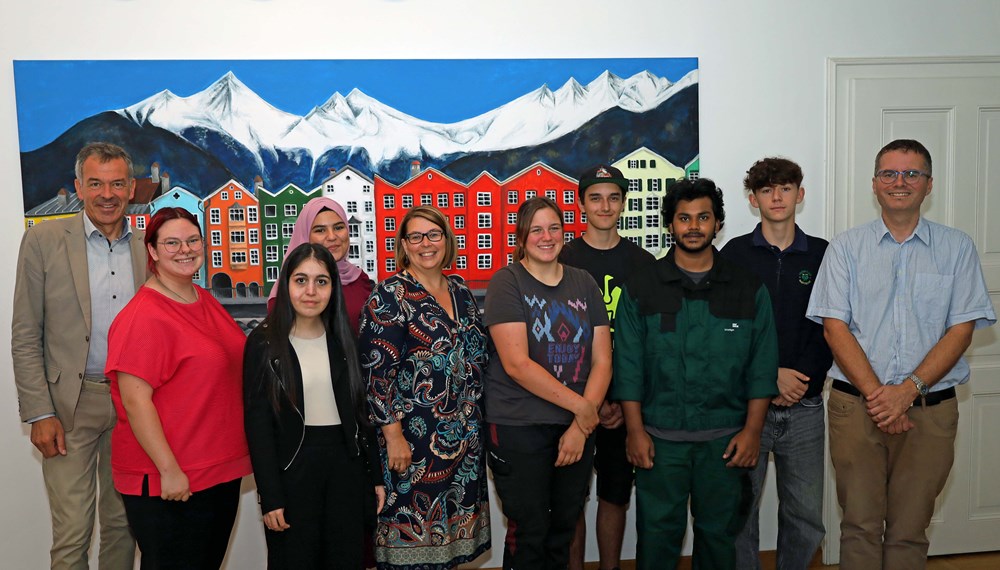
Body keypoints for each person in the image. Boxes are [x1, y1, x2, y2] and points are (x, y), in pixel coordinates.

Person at [806, 139, 995, 569]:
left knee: (911, 530)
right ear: (874, 184)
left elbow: (961, 328)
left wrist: (907, 391)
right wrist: (882, 397)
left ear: (930, 185)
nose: (900, 182)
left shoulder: (957, 248)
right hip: (856, 410)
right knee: (859, 526)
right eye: (890, 173)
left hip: (930, 411)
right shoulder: (845, 249)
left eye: (912, 174)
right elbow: (835, 328)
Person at [613, 178, 779, 570]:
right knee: (656, 538)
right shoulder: (642, 286)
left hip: (724, 442)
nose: (693, 226)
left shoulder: (746, 287)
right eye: (683, 218)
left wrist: (753, 432)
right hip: (659, 440)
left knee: (719, 539)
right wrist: (635, 432)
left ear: (717, 223)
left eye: (703, 217)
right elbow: (629, 366)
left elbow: (762, 365)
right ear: (669, 224)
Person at [12, 142, 141, 569]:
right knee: (72, 534)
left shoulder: (148, 247)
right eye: (96, 183)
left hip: (134, 406)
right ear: (78, 188)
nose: (108, 194)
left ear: (132, 188)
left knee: (124, 527)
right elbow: (26, 333)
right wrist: (38, 412)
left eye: (117, 183)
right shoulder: (43, 240)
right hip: (69, 408)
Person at [105, 207, 252, 569]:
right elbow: (135, 402)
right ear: (152, 251)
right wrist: (169, 470)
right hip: (170, 478)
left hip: (216, 471)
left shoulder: (203, 300)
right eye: (171, 242)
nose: (184, 249)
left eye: (192, 240)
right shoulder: (143, 316)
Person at [358, 205, 491, 569]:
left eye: (434, 234)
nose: (425, 244)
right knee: (412, 548)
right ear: (404, 245)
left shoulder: (461, 289)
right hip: (414, 446)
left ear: (447, 240)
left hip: (464, 442)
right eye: (415, 237)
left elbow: (478, 357)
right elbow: (376, 374)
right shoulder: (389, 297)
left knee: (449, 547)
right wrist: (393, 434)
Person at [484, 196, 612, 570]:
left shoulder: (583, 282)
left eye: (553, 227)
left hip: (575, 427)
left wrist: (578, 426)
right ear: (521, 238)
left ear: (564, 233)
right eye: (536, 229)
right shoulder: (507, 282)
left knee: (563, 530)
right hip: (518, 426)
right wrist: (584, 409)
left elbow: (603, 358)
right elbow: (517, 364)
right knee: (530, 533)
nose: (546, 236)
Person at [720, 157, 832, 569]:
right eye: (767, 190)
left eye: (785, 188)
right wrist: (769, 377)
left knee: (805, 515)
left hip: (805, 406)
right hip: (748, 406)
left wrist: (801, 379)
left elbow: (832, 327)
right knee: (739, 512)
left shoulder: (822, 254)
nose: (777, 196)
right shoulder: (734, 255)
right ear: (753, 200)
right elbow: (727, 330)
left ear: (800, 195)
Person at [245, 243, 386, 569]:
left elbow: (361, 414)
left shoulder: (343, 337)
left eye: (321, 281)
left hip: (345, 470)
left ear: (333, 288)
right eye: (301, 280)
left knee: (346, 559)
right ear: (286, 284)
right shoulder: (264, 343)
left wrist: (375, 477)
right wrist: (271, 496)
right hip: (292, 469)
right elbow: (258, 425)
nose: (311, 291)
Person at [562, 165, 654, 570]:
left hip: (622, 405)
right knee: (570, 498)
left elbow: (650, 340)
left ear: (623, 203)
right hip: (569, 403)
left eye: (613, 197)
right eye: (596, 197)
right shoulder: (562, 258)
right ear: (582, 204)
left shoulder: (642, 262)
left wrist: (620, 399)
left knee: (615, 494)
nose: (605, 205)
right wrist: (584, 404)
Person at [267, 196, 375, 335]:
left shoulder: (360, 280)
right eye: (320, 230)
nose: (332, 236)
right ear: (305, 235)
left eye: (338, 227)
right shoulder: (289, 288)